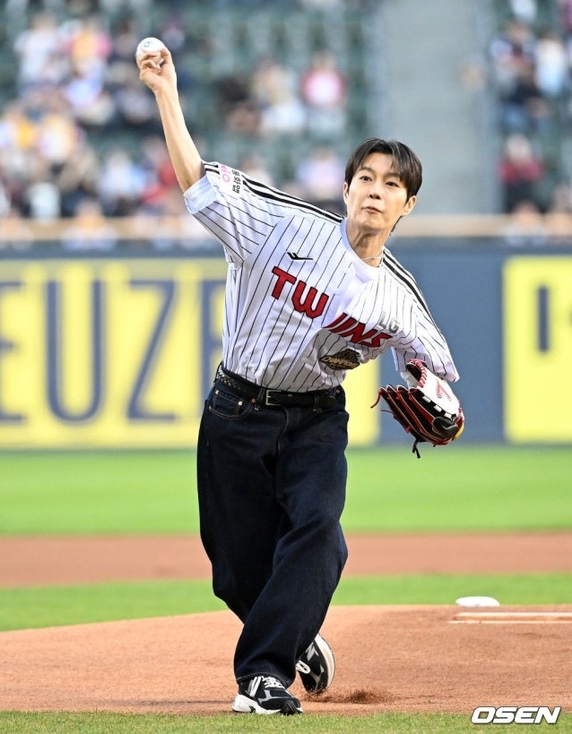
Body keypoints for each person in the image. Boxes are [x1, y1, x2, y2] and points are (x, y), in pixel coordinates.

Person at [138, 44, 459, 716]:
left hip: (316, 419)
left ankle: (262, 677)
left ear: (407, 205)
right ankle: (297, 637)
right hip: (235, 409)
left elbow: (429, 367)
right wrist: (167, 94)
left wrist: (443, 407)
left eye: (391, 184)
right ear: (346, 189)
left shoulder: (398, 296)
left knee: (320, 531)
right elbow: (197, 183)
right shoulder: (282, 226)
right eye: (366, 177)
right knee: (234, 574)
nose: (376, 191)